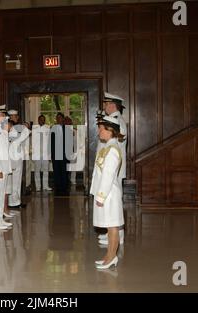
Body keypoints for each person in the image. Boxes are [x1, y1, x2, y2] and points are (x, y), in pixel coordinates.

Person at [90, 116, 125, 269]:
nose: (99, 131)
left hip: (109, 195)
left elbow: (108, 176)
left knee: (113, 227)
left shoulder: (112, 150)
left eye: (101, 128)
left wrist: (101, 196)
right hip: (107, 193)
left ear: (110, 131)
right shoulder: (108, 146)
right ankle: (109, 256)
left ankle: (111, 257)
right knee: (111, 227)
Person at [98, 92, 127, 246]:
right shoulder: (112, 120)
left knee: (114, 204)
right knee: (109, 204)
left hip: (114, 168)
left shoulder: (117, 121)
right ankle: (112, 233)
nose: (104, 106)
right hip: (108, 167)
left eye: (106, 104)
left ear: (112, 105)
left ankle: (118, 235)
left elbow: (116, 145)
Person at [7, 110, 30, 209]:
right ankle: (13, 202)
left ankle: (16, 200)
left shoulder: (17, 127)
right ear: (10, 117)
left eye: (17, 116)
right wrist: (26, 128)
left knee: (17, 180)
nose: (17, 117)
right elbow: (19, 139)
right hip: (13, 157)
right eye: (15, 116)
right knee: (14, 180)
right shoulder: (9, 128)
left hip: (18, 156)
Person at [51, 113, 69, 196]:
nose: (58, 119)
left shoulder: (67, 129)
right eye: (57, 118)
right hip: (55, 153)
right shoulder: (53, 128)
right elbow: (50, 143)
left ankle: (64, 187)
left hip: (64, 153)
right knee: (56, 170)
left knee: (63, 170)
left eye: (60, 117)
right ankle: (57, 187)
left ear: (63, 119)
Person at [32, 115, 52, 192]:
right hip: (37, 153)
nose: (42, 121)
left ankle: (45, 186)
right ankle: (38, 187)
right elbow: (32, 141)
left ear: (45, 120)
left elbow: (50, 142)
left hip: (45, 153)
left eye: (43, 120)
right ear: (38, 120)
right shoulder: (34, 128)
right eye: (40, 119)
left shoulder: (48, 128)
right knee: (37, 171)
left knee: (46, 170)